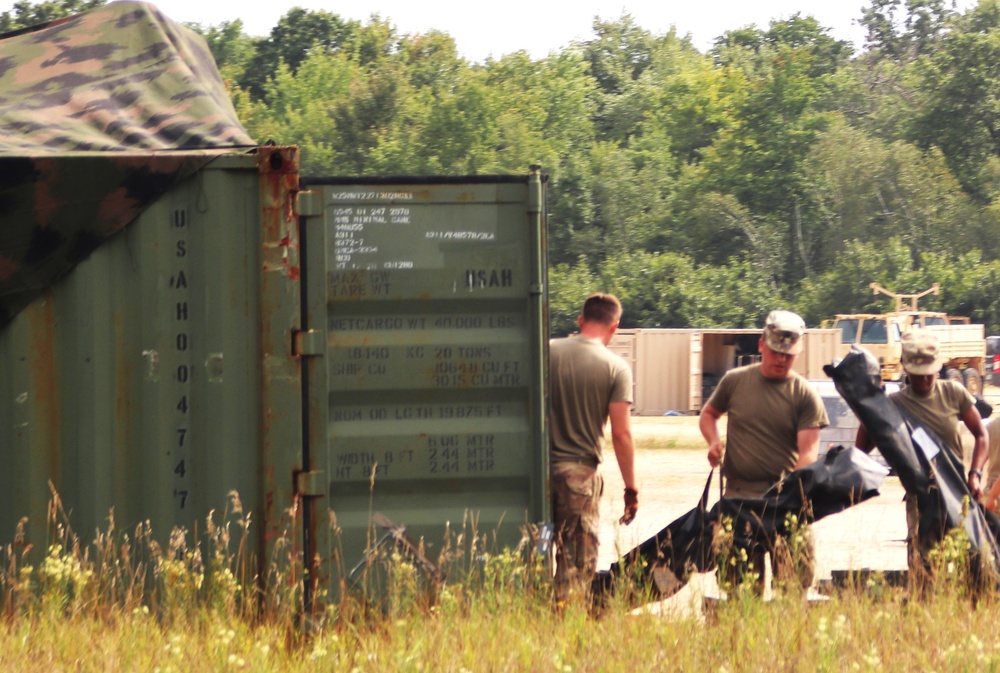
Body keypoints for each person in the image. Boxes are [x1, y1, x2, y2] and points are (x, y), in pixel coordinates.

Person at [699, 309, 829, 590]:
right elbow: (708, 415)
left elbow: (808, 453)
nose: (781, 359)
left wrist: (786, 496)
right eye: (775, 352)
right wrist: (713, 441)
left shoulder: (804, 394)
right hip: (739, 498)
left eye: (789, 354)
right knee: (739, 589)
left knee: (794, 589)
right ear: (761, 345)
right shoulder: (735, 381)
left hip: (786, 503)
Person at [855, 329, 989, 567]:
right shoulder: (894, 404)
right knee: (923, 566)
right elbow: (863, 447)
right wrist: (871, 409)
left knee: (973, 563)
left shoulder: (953, 392)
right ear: (906, 368)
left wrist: (975, 474)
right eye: (919, 375)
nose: (925, 380)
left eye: (930, 374)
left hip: (958, 490)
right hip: (922, 498)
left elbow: (981, 435)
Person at [549, 293, 637, 603]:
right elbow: (622, 433)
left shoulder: (546, 352)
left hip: (535, 474)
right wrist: (631, 489)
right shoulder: (615, 367)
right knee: (576, 567)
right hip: (579, 480)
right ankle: (562, 629)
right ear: (615, 326)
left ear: (580, 321)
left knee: (529, 554)